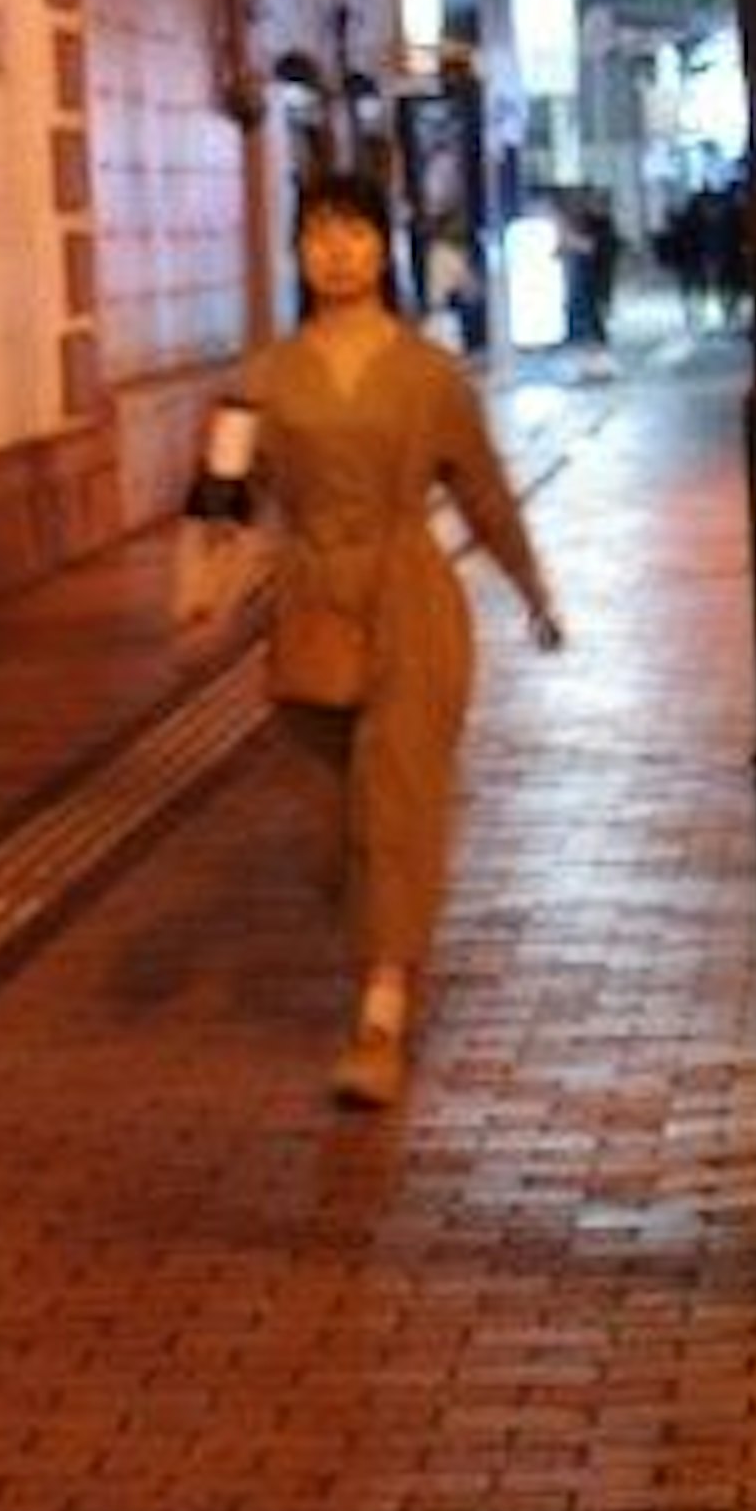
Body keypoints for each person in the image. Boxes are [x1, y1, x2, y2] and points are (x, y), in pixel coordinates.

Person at [175, 172, 564, 1109]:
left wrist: (532, 589)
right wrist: (200, 591)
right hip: (310, 604)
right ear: (298, 251)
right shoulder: (262, 379)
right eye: (317, 233)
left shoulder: (429, 377)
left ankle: (380, 1015)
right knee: (331, 826)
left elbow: (483, 490)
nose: (336, 249)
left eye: (353, 231)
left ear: (380, 247)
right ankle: (386, 961)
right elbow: (218, 497)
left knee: (397, 800)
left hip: (411, 602)